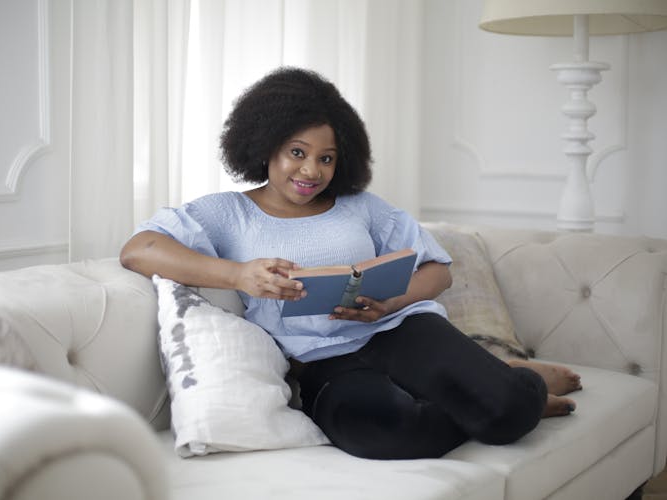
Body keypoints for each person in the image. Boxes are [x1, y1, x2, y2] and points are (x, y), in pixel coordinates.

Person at [120, 67, 582, 459]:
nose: (310, 171)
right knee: (389, 431)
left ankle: (512, 387)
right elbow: (139, 249)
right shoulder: (226, 213)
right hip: (322, 362)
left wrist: (391, 301)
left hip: (402, 332)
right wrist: (238, 274)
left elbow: (438, 270)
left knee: (507, 415)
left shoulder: (361, 206)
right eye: (297, 153)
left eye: (326, 158)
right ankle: (477, 395)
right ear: (265, 147)